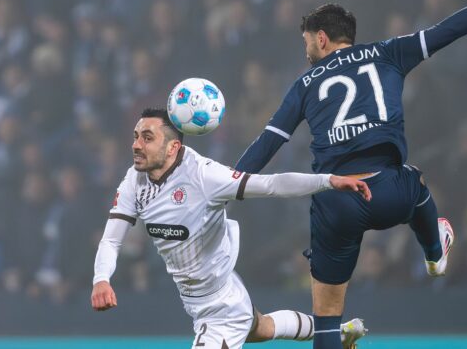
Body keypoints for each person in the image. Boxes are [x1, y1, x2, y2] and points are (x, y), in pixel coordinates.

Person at [235, 0, 467, 347]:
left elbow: (269, 143)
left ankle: (337, 332)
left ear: (321, 38)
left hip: (336, 204)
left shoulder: (304, 83)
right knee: (417, 184)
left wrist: (227, 182)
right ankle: (435, 250)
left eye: (307, 43)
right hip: (389, 191)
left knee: (328, 320)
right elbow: (451, 29)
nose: (306, 52)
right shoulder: (388, 52)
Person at [91, 108, 370, 349]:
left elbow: (272, 185)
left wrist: (328, 180)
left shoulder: (205, 176)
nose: (136, 145)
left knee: (257, 326)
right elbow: (112, 240)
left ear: (173, 147)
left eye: (147, 138)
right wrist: (101, 278)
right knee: (263, 328)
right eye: (136, 136)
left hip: (221, 309)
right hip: (209, 294)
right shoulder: (134, 179)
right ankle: (340, 333)